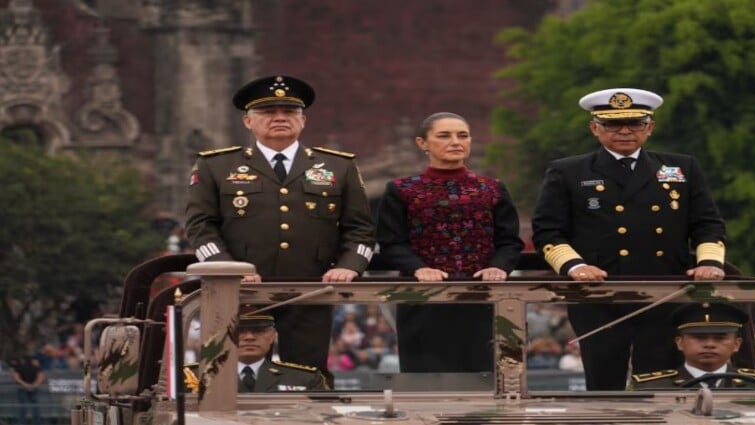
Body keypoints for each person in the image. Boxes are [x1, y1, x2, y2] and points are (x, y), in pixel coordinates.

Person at [185, 75, 376, 385]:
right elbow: (199, 227)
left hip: (310, 290)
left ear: (303, 120)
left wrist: (348, 266)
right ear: (248, 121)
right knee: (227, 380)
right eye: (268, 113)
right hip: (239, 291)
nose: (279, 118)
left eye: (288, 112)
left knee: (308, 379)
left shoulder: (338, 167)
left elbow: (361, 231)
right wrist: (229, 268)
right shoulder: (216, 166)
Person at [532, 88, 727, 390]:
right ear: (594, 128)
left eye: (635, 123)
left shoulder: (680, 167)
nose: (624, 131)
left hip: (664, 292)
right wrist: (574, 266)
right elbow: (548, 231)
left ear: (650, 127)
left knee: (661, 384)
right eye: (612, 124)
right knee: (603, 384)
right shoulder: (568, 171)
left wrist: (710, 262)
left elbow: (707, 223)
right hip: (599, 295)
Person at [376, 112, 524, 372]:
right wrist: (418, 268)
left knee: (486, 378)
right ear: (423, 143)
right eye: (444, 136)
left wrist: (499, 266)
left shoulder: (492, 188)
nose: (456, 142)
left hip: (483, 295)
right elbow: (392, 242)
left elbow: (510, 241)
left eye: (462, 136)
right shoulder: (402, 189)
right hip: (423, 299)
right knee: (426, 380)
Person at [631, 303, 755, 390]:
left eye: (720, 338)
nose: (709, 344)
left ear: (736, 344)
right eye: (699, 338)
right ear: (680, 343)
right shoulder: (650, 387)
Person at [184, 313, 328, 392]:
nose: (249, 337)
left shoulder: (305, 379)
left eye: (258, 331)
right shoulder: (192, 377)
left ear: (272, 336)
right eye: (240, 331)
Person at [12, 355, 46, 425]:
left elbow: (16, 378)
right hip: (34, 389)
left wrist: (25, 385)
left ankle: (22, 423)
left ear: (23, 360)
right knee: (35, 407)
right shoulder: (36, 368)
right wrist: (34, 385)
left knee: (23, 408)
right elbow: (41, 377)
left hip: (22, 389)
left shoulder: (19, 368)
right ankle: (37, 423)